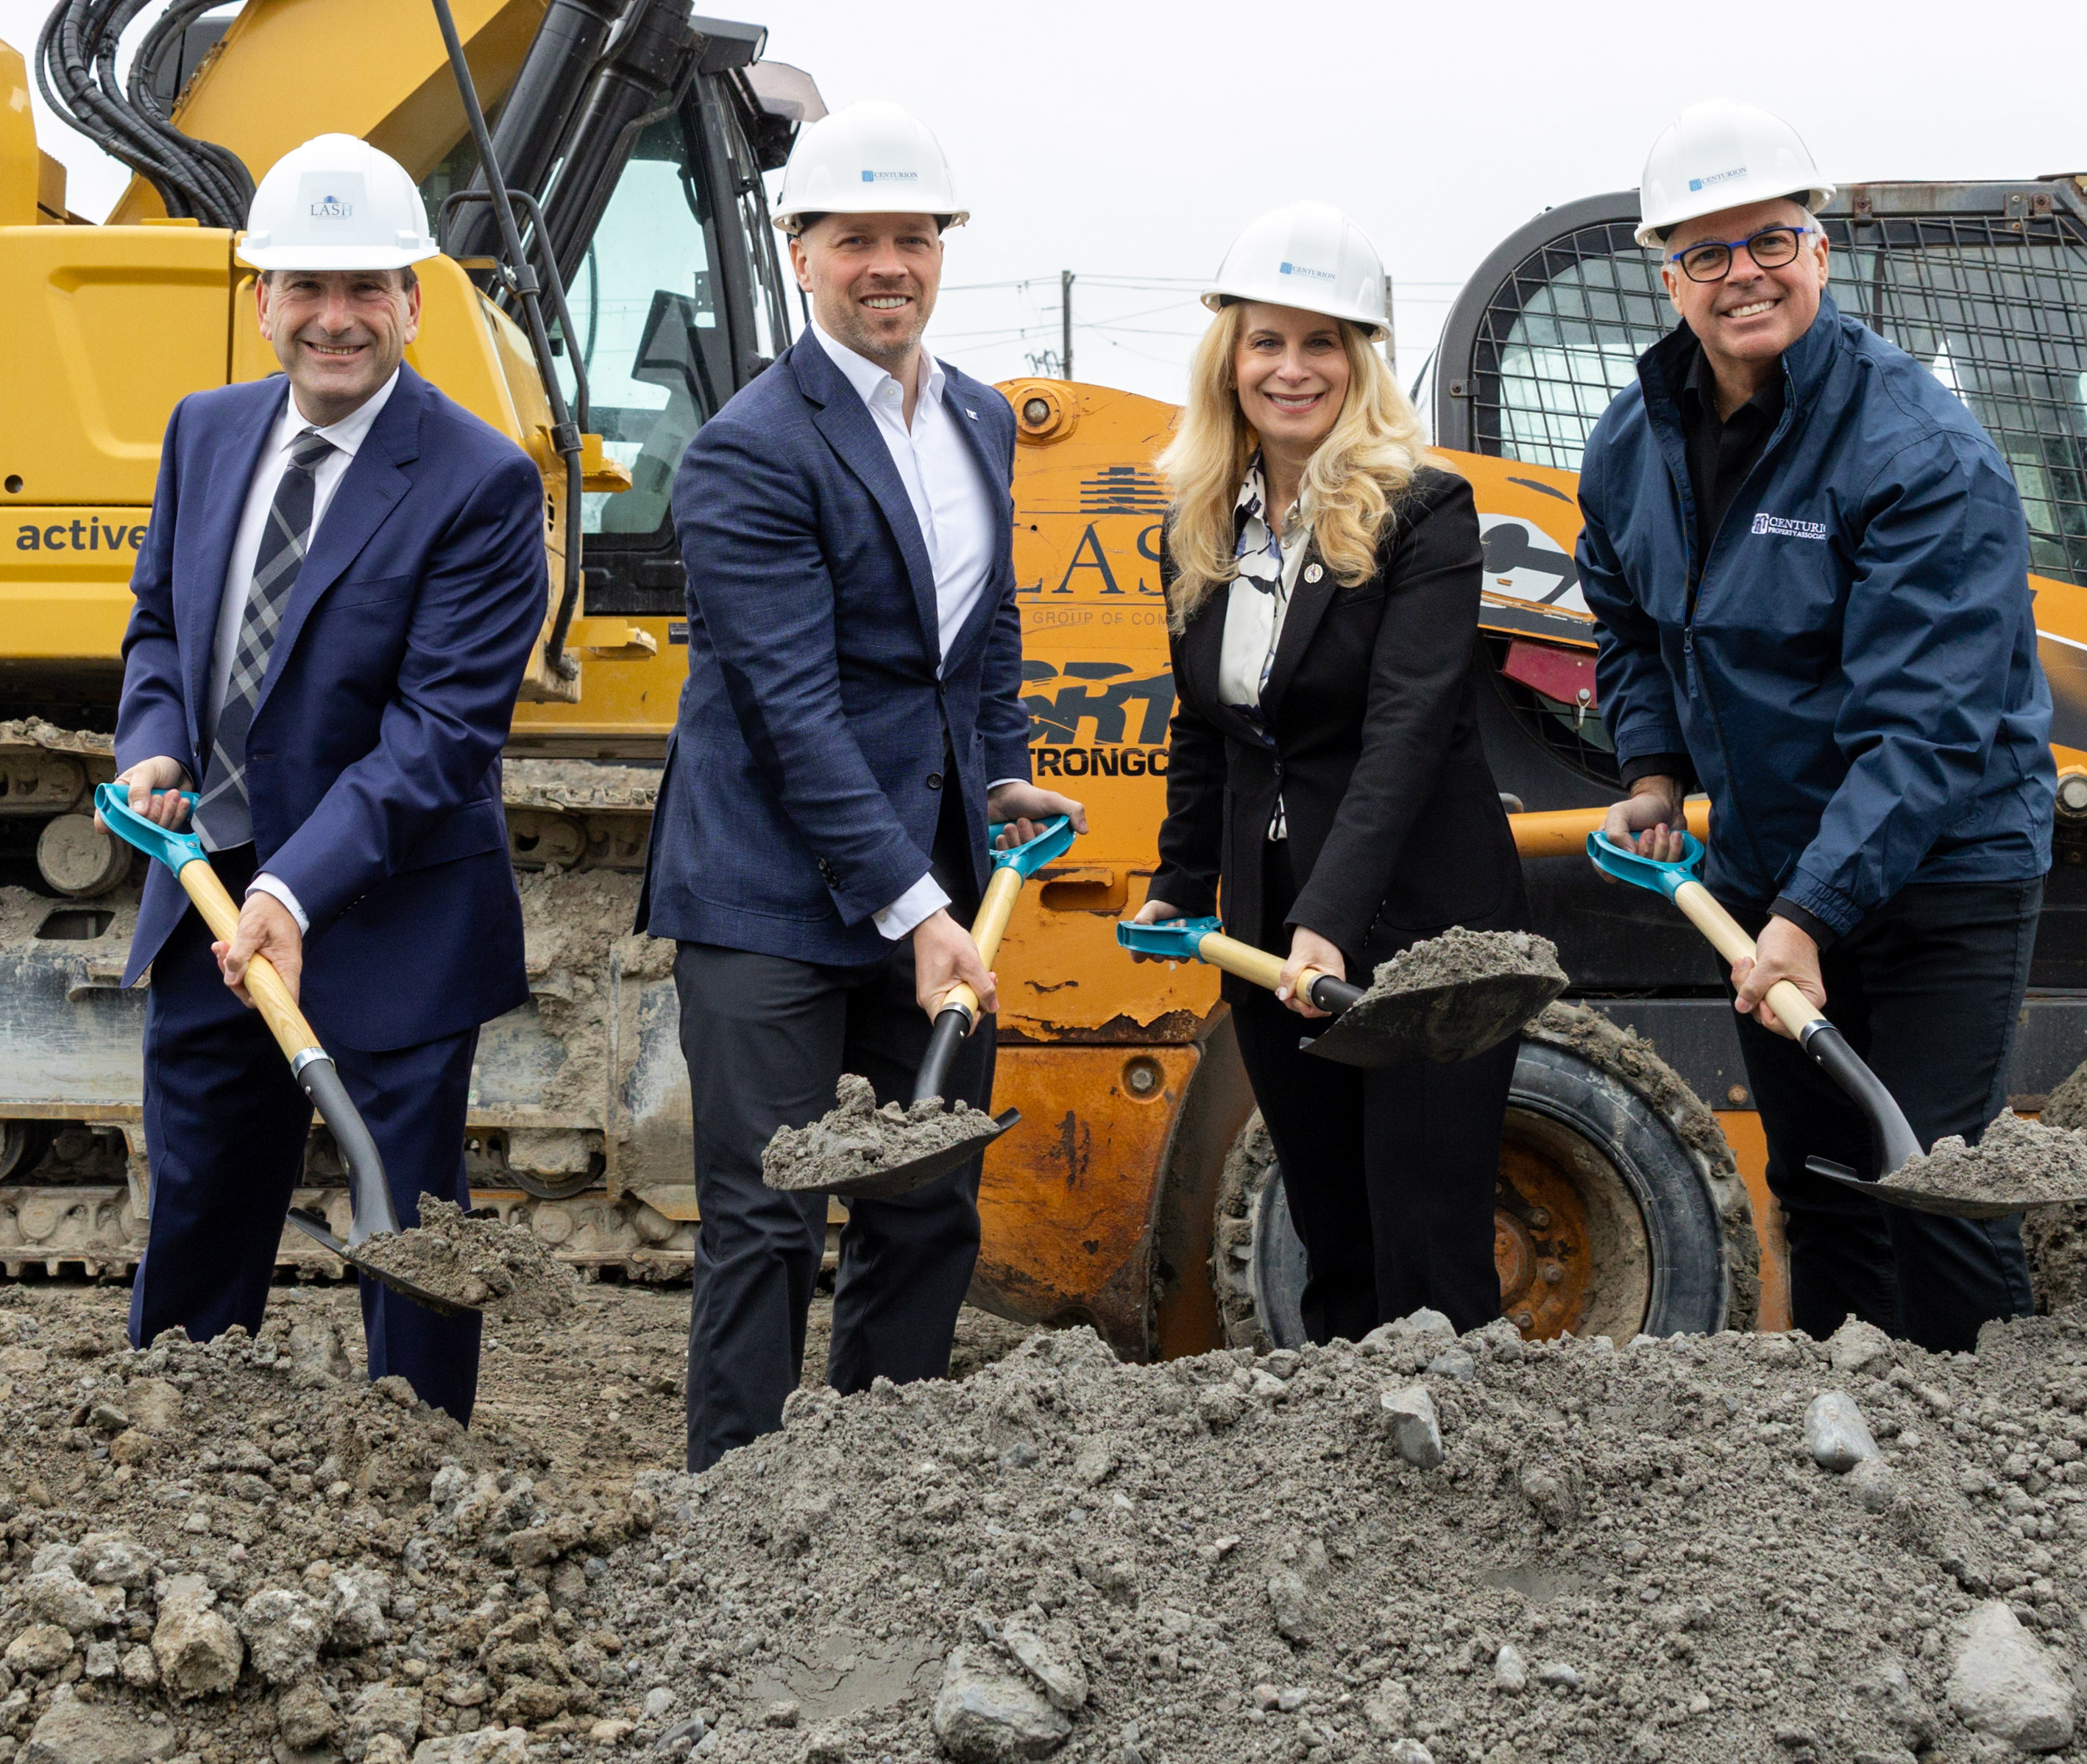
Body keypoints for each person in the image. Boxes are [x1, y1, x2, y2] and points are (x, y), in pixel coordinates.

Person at [1573, 99, 2055, 1351]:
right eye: (1707, 254)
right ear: (1665, 273)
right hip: (1768, 868)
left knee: (1936, 1191)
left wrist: (1805, 922)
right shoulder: (1633, 441)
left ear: (1819, 251)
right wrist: (1651, 768)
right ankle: (1849, 1469)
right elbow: (1627, 621)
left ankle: (1993, 1462)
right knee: (1823, 1189)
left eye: (1769, 242)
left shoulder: (1915, 450)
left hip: (1942, 869)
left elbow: (1926, 731)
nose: (1743, 277)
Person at [644, 99, 1084, 1470]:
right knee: (770, 1214)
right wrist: (913, 904)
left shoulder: (974, 418)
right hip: (768, 890)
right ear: (800, 253)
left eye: (913, 237)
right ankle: (738, 1508)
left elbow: (983, 630)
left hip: (932, 865)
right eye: (856, 241)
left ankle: (880, 1493)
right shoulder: (748, 451)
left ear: (941, 247)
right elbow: (788, 709)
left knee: (926, 1204)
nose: (887, 264)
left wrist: (1001, 773)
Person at [109, 134, 550, 1423]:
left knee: (403, 1224)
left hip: (388, 914)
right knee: (197, 1201)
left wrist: (293, 894)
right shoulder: (205, 433)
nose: (335, 319)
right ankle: (183, 1445)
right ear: (261, 302)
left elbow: (441, 735)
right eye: (305, 287)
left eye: (366, 288)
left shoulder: (478, 480)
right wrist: (156, 745)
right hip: (208, 896)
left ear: (414, 301)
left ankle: (416, 1485)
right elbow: (156, 628)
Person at [1126, 203, 1525, 1340]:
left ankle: (1461, 1461)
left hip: (1421, 928)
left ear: (1359, 364)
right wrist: (1176, 877)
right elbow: (1205, 728)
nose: (1290, 370)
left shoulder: (1424, 512)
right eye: (1267, 342)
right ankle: (1353, 1483)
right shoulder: (1199, 522)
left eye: (1320, 344)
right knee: (1330, 1221)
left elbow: (1406, 731)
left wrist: (1330, 920)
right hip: (1270, 927)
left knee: (1423, 1225)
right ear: (1229, 359)